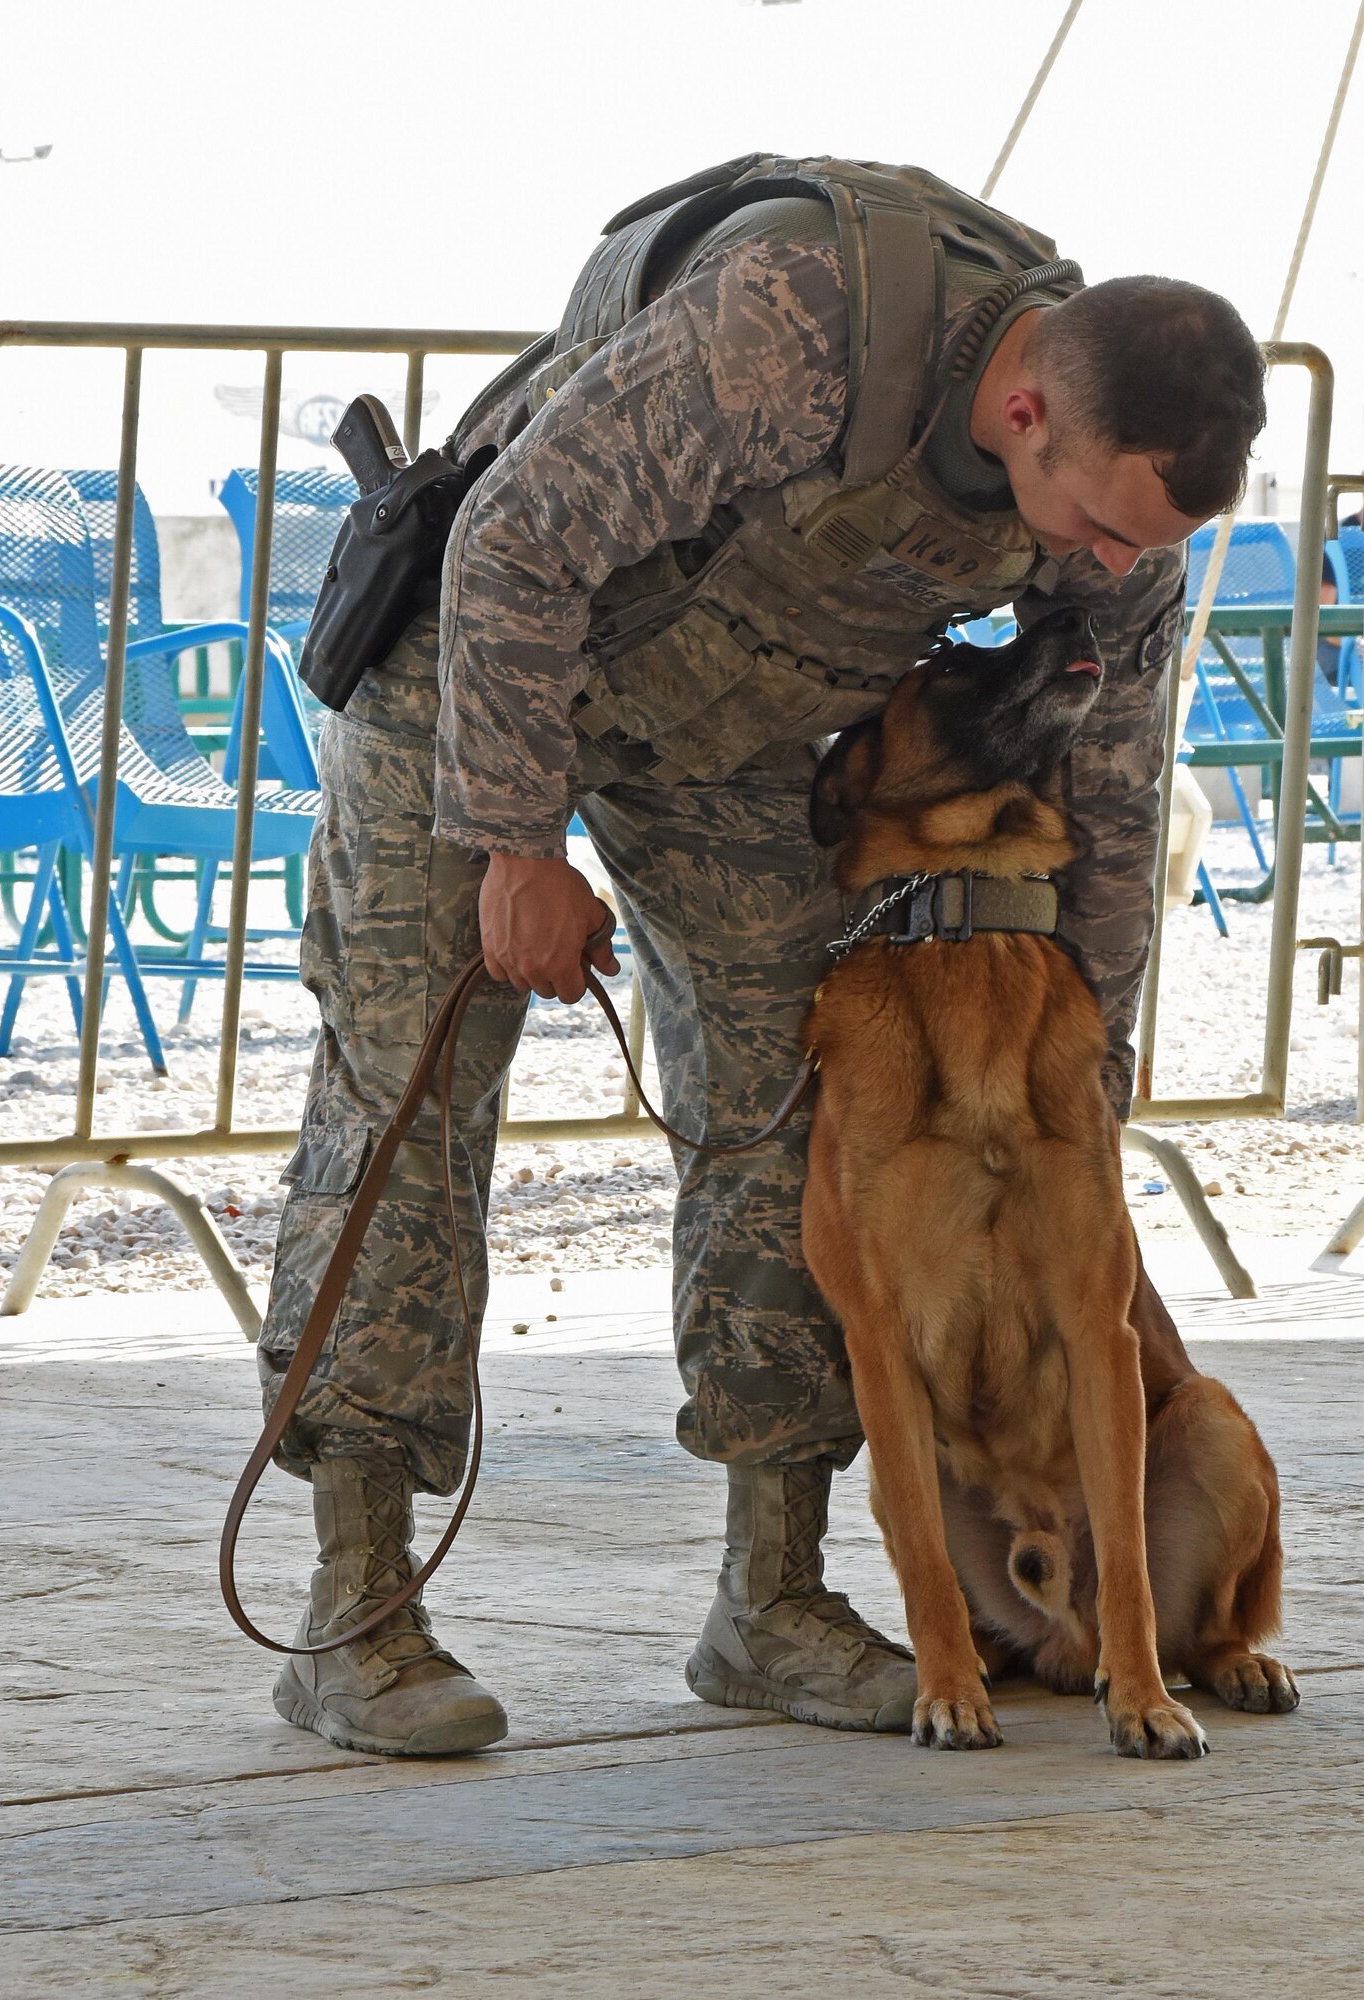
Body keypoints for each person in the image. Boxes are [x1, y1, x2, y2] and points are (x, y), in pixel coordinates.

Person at [256, 157, 1267, 1757]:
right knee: (408, 1102)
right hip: (476, 682)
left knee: (800, 1114)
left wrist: (1098, 1062)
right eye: (1097, 520)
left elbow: (1117, 790)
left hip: (726, 734)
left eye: (1146, 543)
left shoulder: (1109, 528)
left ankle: (771, 1601)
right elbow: (513, 546)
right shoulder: (791, 328)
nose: (1115, 566)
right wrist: (517, 844)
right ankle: (358, 1610)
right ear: (1023, 414)